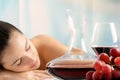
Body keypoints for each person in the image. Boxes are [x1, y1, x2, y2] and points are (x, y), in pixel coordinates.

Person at [0, 21, 83, 80]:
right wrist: (5, 76)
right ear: (4, 68)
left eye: (28, 47)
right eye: (19, 62)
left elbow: (89, 65)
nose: (32, 59)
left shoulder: (42, 45)